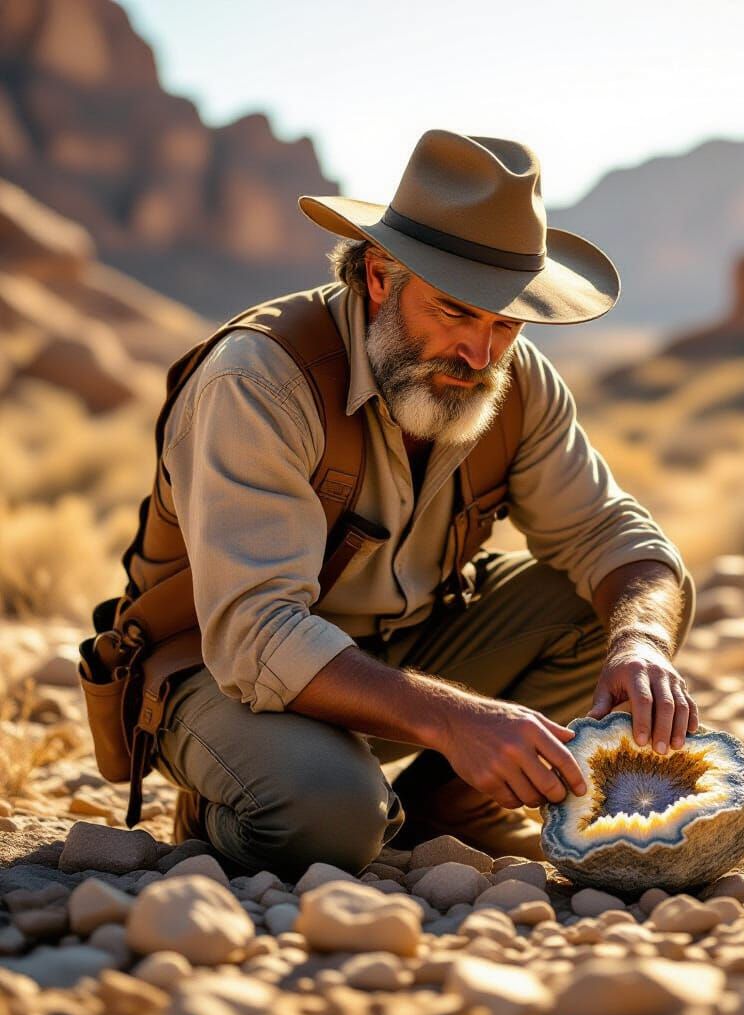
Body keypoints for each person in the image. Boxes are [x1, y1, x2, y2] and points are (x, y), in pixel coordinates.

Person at [150, 129, 699, 879]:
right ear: (380, 276)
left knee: (610, 607)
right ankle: (245, 797)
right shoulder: (259, 380)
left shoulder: (516, 380)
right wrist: (458, 718)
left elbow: (611, 532)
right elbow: (254, 633)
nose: (480, 354)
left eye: (505, 322)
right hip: (224, 674)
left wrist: (642, 644)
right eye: (456, 312)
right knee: (331, 818)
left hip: (394, 660)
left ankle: (446, 815)